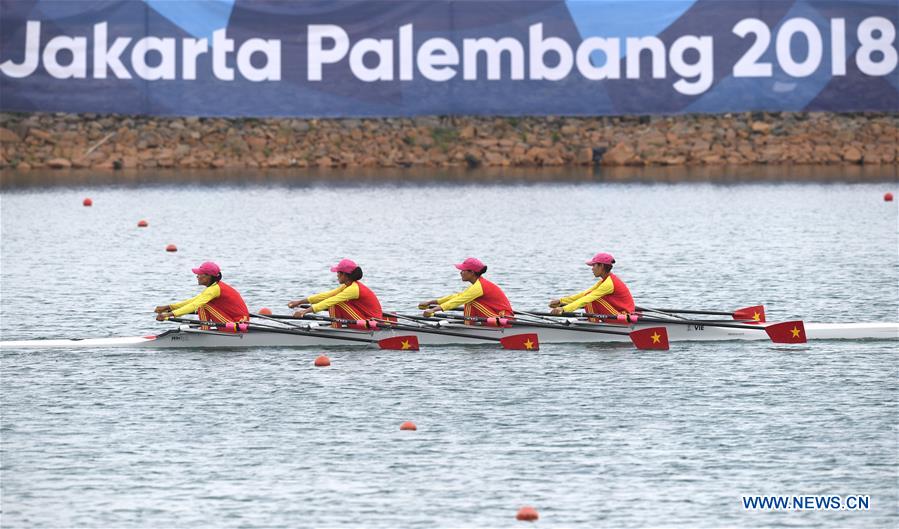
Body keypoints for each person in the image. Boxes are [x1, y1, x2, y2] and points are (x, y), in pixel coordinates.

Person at [288, 259, 384, 321]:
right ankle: (336, 325)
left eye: (338, 272)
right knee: (333, 301)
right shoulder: (348, 285)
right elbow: (326, 296)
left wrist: (304, 312)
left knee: (335, 302)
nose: (336, 275)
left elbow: (331, 301)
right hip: (364, 317)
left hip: (371, 322)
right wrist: (299, 302)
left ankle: (335, 327)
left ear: (345, 275)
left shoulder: (353, 289)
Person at [420, 257, 513, 321]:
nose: (460, 272)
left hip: (503, 318)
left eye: (463, 270)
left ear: (472, 272)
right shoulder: (477, 285)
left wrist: (433, 310)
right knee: (467, 299)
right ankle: (470, 325)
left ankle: (468, 327)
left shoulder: (479, 287)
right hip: (495, 315)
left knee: (469, 301)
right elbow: (457, 296)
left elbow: (457, 301)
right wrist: (430, 303)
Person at [155, 261, 249, 324]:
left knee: (203, 305)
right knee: (201, 304)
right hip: (234, 319)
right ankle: (205, 329)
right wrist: (168, 307)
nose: (197, 276)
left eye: (200, 274)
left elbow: (194, 305)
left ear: (208, 276)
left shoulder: (214, 289)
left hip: (238, 323)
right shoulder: (213, 287)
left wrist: (168, 314)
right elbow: (192, 301)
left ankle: (205, 330)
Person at [549, 252, 634, 321]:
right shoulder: (604, 281)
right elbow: (583, 294)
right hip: (617, 313)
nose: (592, 268)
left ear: (602, 266)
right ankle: (593, 322)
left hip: (624, 318)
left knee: (592, 299)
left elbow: (587, 298)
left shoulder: (609, 283)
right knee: (589, 296)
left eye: (594, 265)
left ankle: (593, 324)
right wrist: (561, 301)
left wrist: (564, 309)